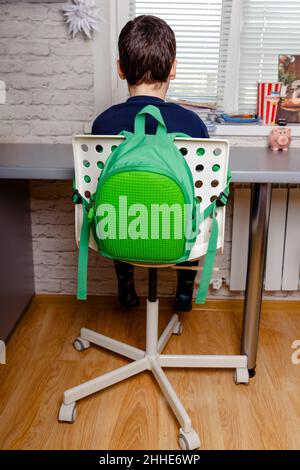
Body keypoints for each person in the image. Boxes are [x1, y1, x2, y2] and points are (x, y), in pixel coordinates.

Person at [92, 15, 209, 312]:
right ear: (173, 70)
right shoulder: (192, 124)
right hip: (175, 229)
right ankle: (184, 291)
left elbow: (97, 189)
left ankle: (126, 282)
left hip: (119, 229)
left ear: (120, 69)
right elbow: (204, 189)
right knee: (192, 207)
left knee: (121, 202)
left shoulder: (103, 123)